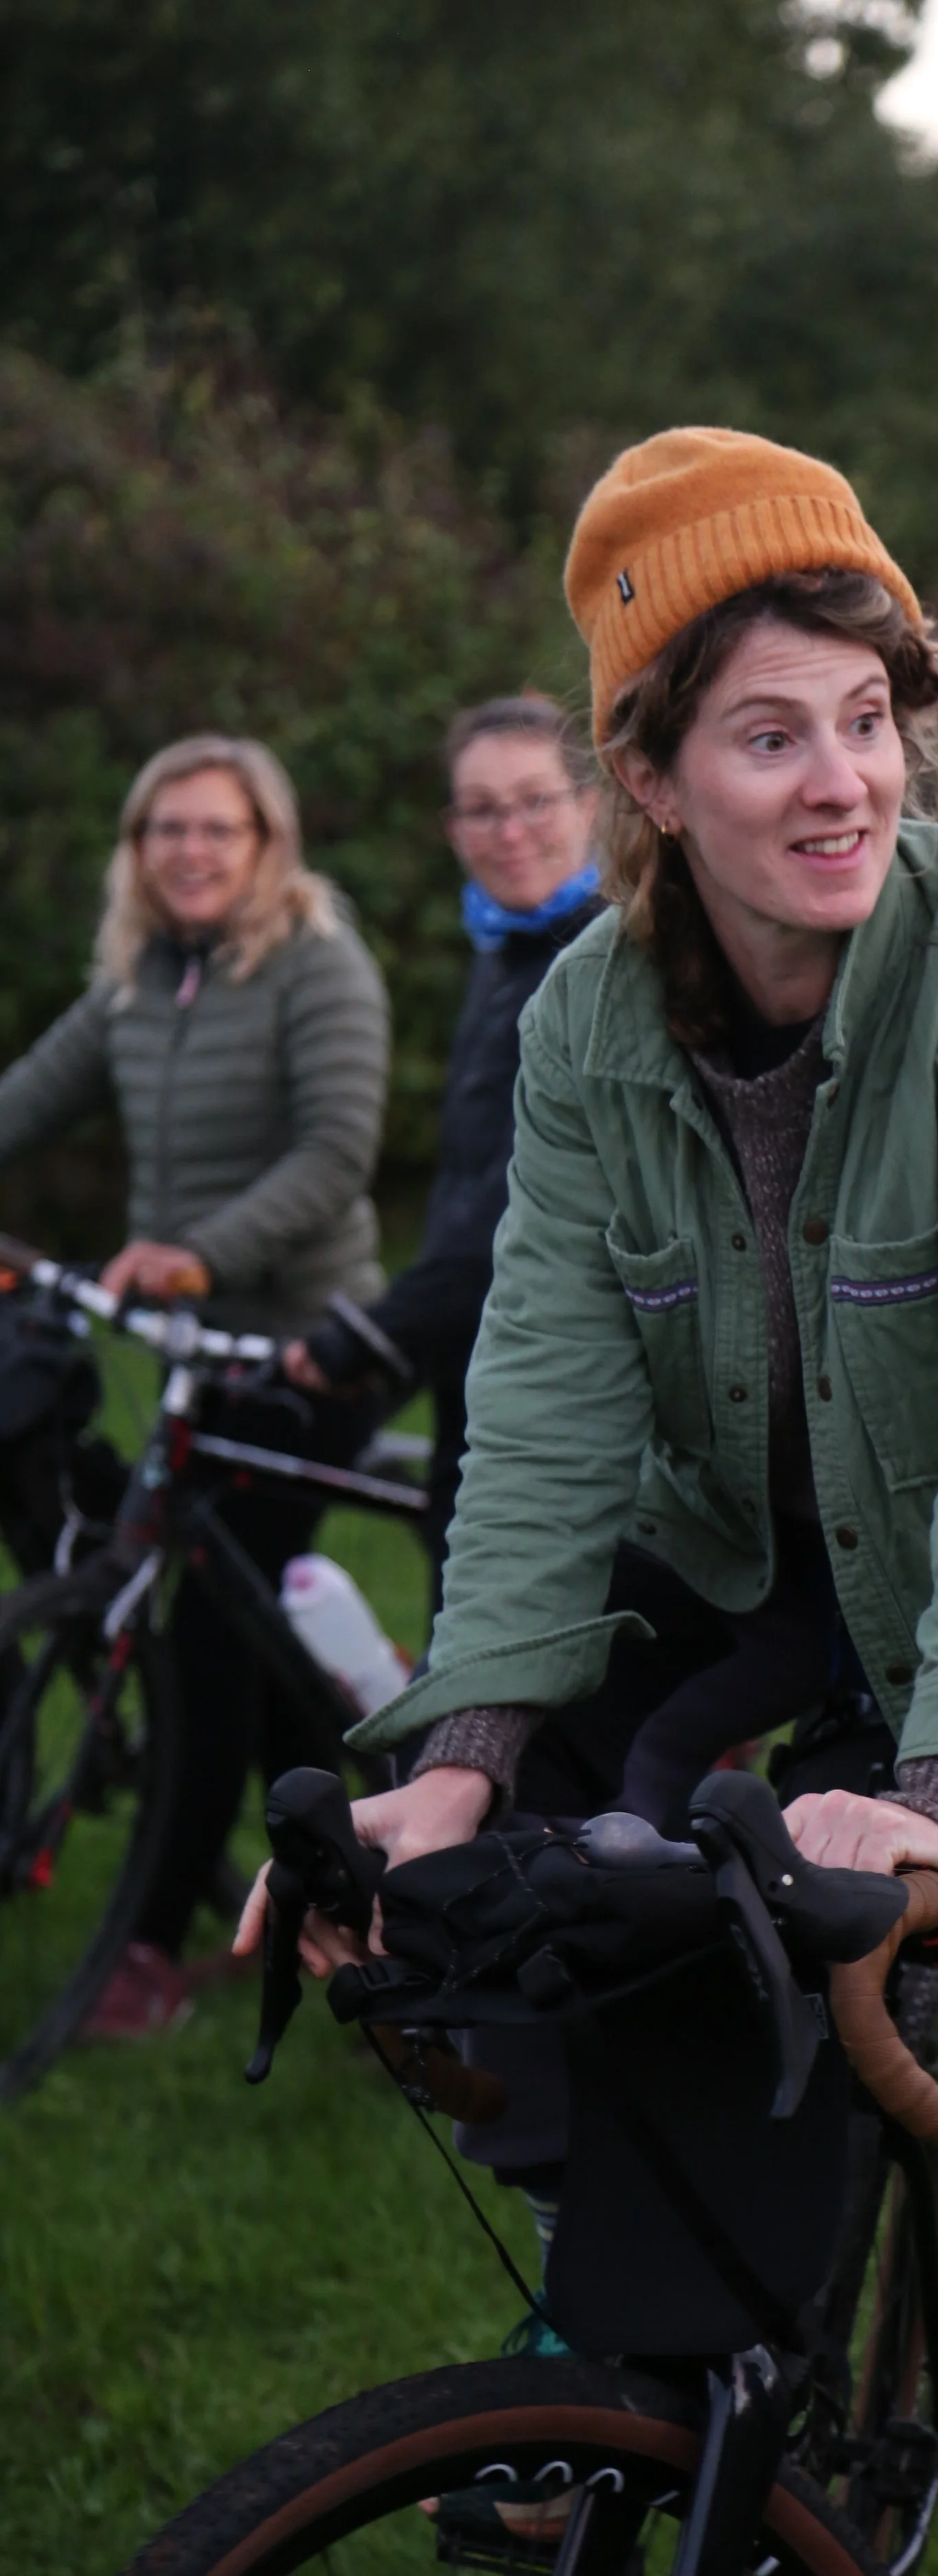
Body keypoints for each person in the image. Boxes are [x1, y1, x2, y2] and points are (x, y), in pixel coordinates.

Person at [243, 429, 938, 2572]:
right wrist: (457, 1754)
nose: (843, 781)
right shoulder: (586, 1026)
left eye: (867, 716)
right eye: (767, 735)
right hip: (794, 1570)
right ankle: (682, 2400)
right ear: (646, 777)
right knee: (612, 1979)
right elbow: (543, 1413)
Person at [0, 734, 389, 2036]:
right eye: (167, 828)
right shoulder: (135, 977)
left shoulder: (317, 964)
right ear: (137, 848)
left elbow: (335, 1153)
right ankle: (339, 1888)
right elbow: (27, 1100)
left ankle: (150, 1947)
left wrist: (200, 1254)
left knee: (209, 1637)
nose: (191, 850)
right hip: (187, 1358)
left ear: (268, 842)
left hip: (307, 1347)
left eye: (220, 827)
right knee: (252, 1645)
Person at [282, 698, 602, 1598]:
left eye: (535, 801)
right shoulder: (506, 950)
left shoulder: (597, 961)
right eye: (483, 809)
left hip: (561, 1395)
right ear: (453, 829)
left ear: (589, 804)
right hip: (478, 1365)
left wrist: (373, 1337)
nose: (511, 832)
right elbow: (464, 1191)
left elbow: (519, 1203)